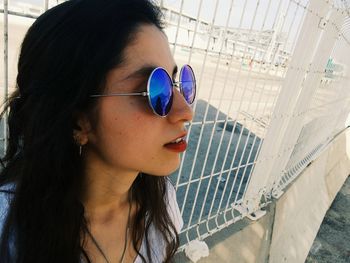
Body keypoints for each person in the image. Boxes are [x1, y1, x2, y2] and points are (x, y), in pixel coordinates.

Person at [0, 0, 196, 262]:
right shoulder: (8, 227)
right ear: (78, 121)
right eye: (155, 89)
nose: (186, 112)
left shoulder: (162, 203)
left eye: (178, 82)